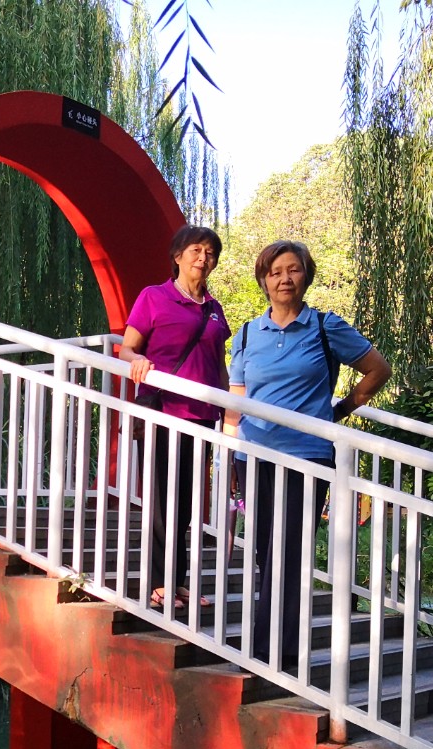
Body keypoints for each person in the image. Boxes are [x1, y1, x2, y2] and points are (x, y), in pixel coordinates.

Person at [223, 240, 390, 665]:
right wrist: (227, 453)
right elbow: (235, 400)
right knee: (265, 552)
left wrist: (341, 410)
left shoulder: (324, 326)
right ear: (264, 280)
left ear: (306, 276)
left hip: (307, 457)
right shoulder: (247, 334)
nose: (284, 279)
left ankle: (272, 651)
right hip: (254, 456)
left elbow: (378, 369)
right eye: (275, 271)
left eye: (293, 270)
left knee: (291, 551)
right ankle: (274, 646)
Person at [117, 224, 231, 610]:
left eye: (210, 252)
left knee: (186, 502)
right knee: (162, 500)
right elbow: (127, 349)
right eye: (196, 250)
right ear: (178, 256)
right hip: (163, 412)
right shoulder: (154, 296)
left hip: (203, 416)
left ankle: (177, 582)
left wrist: (231, 413)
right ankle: (157, 583)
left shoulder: (214, 309)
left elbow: (219, 366)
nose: (203, 257)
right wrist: (138, 360)